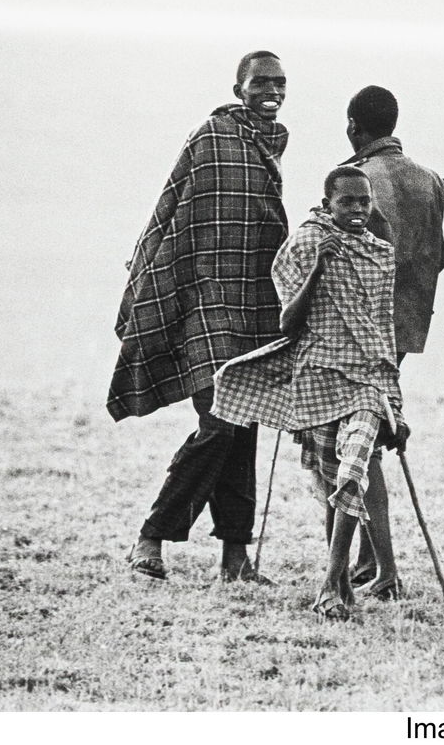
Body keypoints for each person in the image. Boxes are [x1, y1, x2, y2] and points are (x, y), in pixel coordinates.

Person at [111, 50, 289, 584]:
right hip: (203, 301)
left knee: (243, 425)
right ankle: (151, 536)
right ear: (239, 87)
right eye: (260, 82)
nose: (271, 90)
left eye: (280, 82)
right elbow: (170, 208)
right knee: (218, 423)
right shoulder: (210, 137)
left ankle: (236, 558)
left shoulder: (272, 144)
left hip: (254, 303)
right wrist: (146, 269)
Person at [213, 167, 409, 620]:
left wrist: (395, 404)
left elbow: (385, 333)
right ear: (328, 203)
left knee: (353, 471)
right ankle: (339, 584)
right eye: (348, 202)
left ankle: (328, 582)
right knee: (329, 482)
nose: (359, 210)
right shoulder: (304, 246)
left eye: (365, 201)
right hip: (317, 379)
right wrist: (319, 267)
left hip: (365, 385)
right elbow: (288, 323)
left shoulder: (380, 255)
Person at [338, 85, 444, 593]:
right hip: (406, 326)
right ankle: (370, 559)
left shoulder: (357, 180)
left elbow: (349, 252)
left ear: (353, 128)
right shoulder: (430, 180)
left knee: (357, 440)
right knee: (372, 431)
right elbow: (441, 255)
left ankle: (379, 566)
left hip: (361, 327)